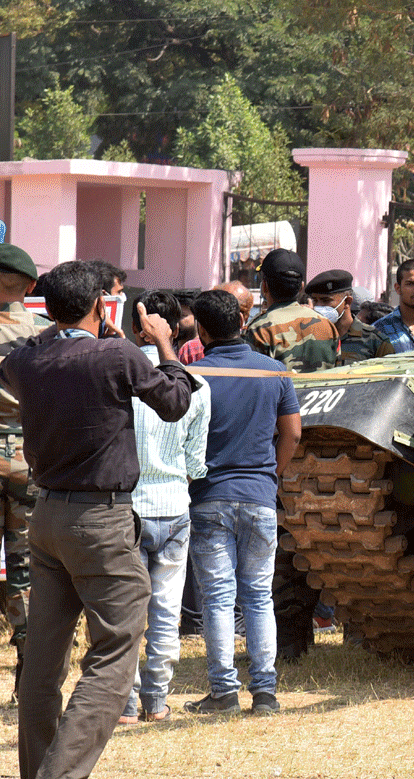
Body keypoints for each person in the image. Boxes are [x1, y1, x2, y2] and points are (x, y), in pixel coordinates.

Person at [1, 260, 193, 779]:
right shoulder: (116, 354)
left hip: (46, 518)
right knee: (114, 653)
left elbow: (34, 353)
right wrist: (164, 342)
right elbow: (175, 402)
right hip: (100, 521)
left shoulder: (25, 360)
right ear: (103, 306)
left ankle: (36, 768)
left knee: (43, 661)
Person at [186, 289, 301, 716]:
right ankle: (266, 693)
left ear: (201, 328)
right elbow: (292, 434)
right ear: (241, 319)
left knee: (217, 598)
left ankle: (223, 692)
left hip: (209, 498)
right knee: (257, 596)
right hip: (259, 498)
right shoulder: (274, 371)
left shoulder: (194, 375)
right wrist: (271, 476)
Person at [119, 290, 212, 725]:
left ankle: (124, 704)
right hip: (175, 507)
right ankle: (156, 702)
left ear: (132, 326)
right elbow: (196, 463)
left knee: (124, 612)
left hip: (125, 508)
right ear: (175, 329)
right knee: (165, 611)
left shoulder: (116, 378)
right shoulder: (197, 386)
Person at [0, 244, 50, 700]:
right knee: (25, 566)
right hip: (28, 460)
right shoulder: (44, 334)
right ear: (31, 287)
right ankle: (28, 671)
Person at [245, 248, 339, 372]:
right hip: (322, 392)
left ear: (264, 286)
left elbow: (254, 380)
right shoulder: (327, 325)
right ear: (301, 287)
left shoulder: (260, 329)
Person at [305, 269, 395, 365]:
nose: (319, 306)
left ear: (347, 302)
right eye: (315, 301)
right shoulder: (306, 338)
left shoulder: (375, 342)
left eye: (326, 300)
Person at [179, 281, 253, 364]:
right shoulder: (268, 365)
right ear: (241, 320)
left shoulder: (190, 370)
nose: (226, 313)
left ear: (201, 328)